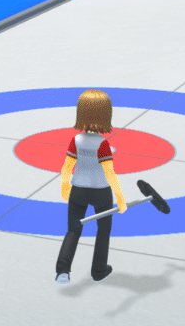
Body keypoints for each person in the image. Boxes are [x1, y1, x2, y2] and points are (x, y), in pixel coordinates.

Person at [55, 90, 127, 285]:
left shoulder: (76, 140)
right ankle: (99, 270)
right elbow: (110, 173)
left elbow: (67, 166)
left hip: (78, 189)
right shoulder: (103, 144)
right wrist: (120, 198)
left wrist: (64, 186)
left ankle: (62, 271)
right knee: (103, 230)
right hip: (100, 192)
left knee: (73, 230)